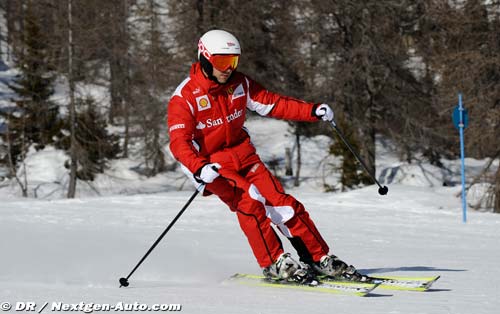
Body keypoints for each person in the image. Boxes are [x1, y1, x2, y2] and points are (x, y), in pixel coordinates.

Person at [167, 29, 362, 284]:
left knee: (284, 204)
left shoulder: (240, 84)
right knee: (249, 202)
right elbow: (179, 143)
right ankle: (274, 263)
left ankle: (318, 258)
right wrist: (199, 167)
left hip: (244, 156)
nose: (228, 69)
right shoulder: (184, 98)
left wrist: (313, 111)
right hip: (210, 165)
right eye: (222, 62)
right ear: (205, 58)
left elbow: (273, 103)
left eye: (233, 62)